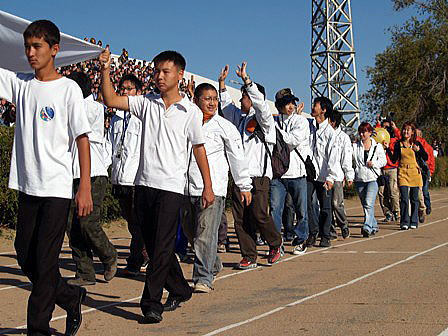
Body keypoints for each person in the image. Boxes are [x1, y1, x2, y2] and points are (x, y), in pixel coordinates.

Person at [100, 48, 214, 323]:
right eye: (156, 71)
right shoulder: (145, 103)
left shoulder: (190, 112)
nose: (159, 76)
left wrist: (207, 187)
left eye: (165, 71)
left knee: (162, 247)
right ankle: (179, 288)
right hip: (144, 185)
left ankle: (151, 303)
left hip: (171, 188)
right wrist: (104, 69)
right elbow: (111, 99)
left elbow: (199, 149)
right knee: (153, 246)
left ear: (180, 74)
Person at [0, 20, 93, 336]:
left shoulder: (69, 89)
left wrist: (84, 186)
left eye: (37, 46)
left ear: (55, 50)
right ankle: (70, 295)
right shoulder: (21, 84)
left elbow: (82, 138)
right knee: (27, 256)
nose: (30, 53)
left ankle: (37, 329)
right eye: (27, 46)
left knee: (46, 258)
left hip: (56, 188)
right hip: (28, 186)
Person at [186, 83, 252, 293]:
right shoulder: (187, 123)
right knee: (191, 233)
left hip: (213, 189)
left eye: (214, 98)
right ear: (196, 100)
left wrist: (243, 185)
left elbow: (237, 157)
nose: (212, 102)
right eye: (207, 98)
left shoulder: (225, 127)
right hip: (186, 187)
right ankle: (213, 263)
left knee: (205, 234)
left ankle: (203, 277)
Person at [219, 63, 283, 269]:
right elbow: (227, 107)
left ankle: (275, 244)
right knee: (240, 219)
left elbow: (262, 105)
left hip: (260, 176)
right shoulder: (239, 118)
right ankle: (249, 255)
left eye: (244, 96)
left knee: (258, 214)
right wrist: (221, 85)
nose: (241, 100)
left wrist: (247, 80)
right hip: (241, 177)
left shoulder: (264, 120)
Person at [66, 71, 118, 286]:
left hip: (93, 173)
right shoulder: (73, 106)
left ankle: (109, 255)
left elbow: (78, 125)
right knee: (72, 225)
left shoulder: (92, 107)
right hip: (71, 172)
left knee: (88, 222)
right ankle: (84, 271)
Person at [106, 74, 148, 277]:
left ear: (138, 93)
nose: (124, 92)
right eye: (122, 88)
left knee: (139, 221)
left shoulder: (143, 118)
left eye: (129, 89)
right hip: (119, 177)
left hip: (136, 179)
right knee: (131, 222)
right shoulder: (115, 118)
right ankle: (145, 253)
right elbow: (110, 147)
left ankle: (136, 260)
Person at [269, 88, 310, 255]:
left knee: (301, 210)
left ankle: (301, 239)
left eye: (292, 102)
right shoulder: (274, 121)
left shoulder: (300, 122)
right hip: (278, 174)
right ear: (279, 106)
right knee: (275, 209)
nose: (291, 106)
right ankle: (276, 242)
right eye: (287, 103)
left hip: (297, 173)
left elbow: (292, 141)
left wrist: (275, 133)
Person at [306, 96, 338, 247]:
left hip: (324, 175)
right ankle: (313, 233)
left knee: (325, 207)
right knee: (307, 203)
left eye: (315, 105)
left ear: (323, 110)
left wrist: (331, 177)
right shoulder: (310, 127)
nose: (313, 107)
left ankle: (325, 235)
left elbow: (333, 157)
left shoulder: (330, 133)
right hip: (310, 174)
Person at [388, 122, 428, 230]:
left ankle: (414, 220)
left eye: (408, 130)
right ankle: (404, 221)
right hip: (402, 173)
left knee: (414, 198)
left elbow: (426, 157)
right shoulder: (398, 144)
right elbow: (394, 159)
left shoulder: (416, 144)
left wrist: (418, 151)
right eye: (404, 129)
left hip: (415, 173)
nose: (406, 132)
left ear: (412, 132)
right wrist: (387, 149)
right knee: (404, 198)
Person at [352, 122, 387, 237]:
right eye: (360, 132)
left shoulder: (377, 146)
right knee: (365, 204)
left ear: (370, 132)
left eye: (364, 132)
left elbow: (383, 161)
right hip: (360, 179)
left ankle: (367, 226)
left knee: (368, 203)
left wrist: (374, 163)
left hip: (373, 178)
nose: (362, 134)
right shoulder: (356, 146)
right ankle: (374, 225)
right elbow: (351, 159)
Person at [328, 110, 354, 239]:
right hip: (323, 176)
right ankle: (331, 230)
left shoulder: (343, 138)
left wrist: (349, 175)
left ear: (333, 122)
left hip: (336, 176)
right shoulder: (321, 134)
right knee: (325, 206)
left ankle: (343, 225)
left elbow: (346, 158)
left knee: (336, 204)